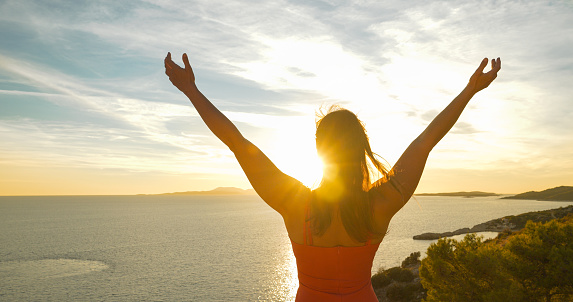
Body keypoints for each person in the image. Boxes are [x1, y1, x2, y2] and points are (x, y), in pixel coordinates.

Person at [164, 53, 501, 301]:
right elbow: (426, 142)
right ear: (360, 151)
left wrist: (191, 90)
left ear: (319, 151)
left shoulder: (296, 204)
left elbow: (238, 143)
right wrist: (470, 90)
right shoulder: (381, 204)